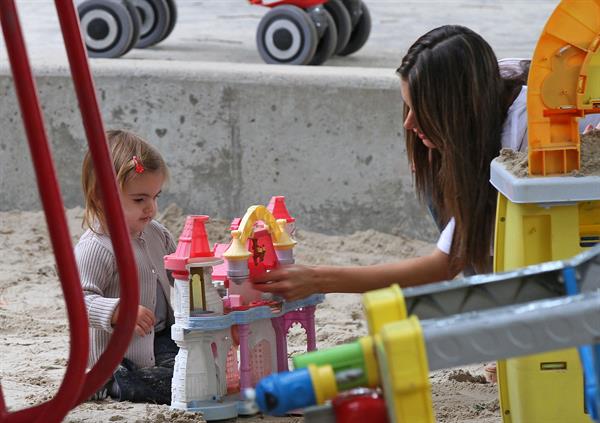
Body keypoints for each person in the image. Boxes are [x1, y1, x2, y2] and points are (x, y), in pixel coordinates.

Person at [252, 25, 529, 302]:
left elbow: (443, 265)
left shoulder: (521, 136)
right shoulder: (489, 83)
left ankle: (495, 290)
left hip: (541, 259)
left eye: (422, 112)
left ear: (456, 107)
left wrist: (316, 279)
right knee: (430, 157)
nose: (409, 124)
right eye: (408, 107)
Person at [76, 129, 178, 404]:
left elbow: (179, 275)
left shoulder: (158, 234)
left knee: (196, 368)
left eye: (156, 197)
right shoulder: (96, 246)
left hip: (160, 337)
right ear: (101, 198)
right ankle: (113, 381)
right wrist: (117, 311)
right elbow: (77, 301)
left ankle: (129, 382)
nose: (151, 208)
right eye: (139, 199)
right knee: (178, 384)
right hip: (120, 352)